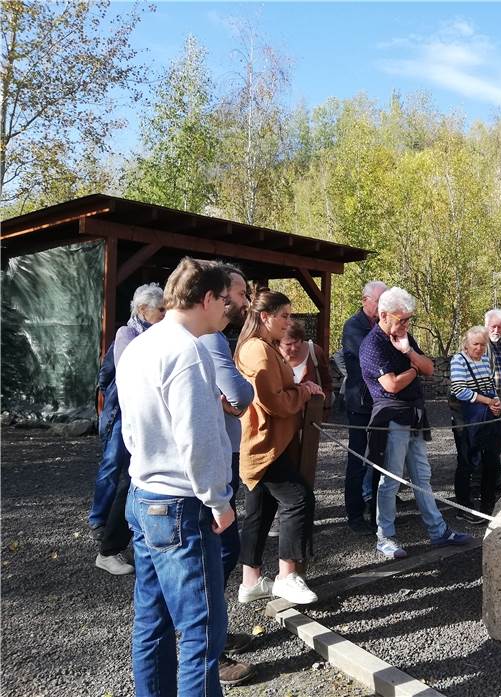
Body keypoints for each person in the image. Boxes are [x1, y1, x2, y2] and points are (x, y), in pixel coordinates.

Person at [117, 258, 235, 696]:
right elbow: (198, 440)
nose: (228, 310)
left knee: (152, 622)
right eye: (225, 300)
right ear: (205, 299)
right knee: (202, 632)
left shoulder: (141, 346)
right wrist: (218, 501)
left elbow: (129, 428)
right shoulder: (187, 353)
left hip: (144, 495)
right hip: (181, 504)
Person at [359, 286, 472, 560]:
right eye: (401, 320)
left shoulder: (404, 337)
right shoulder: (372, 344)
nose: (405, 324)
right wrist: (414, 369)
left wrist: (409, 352)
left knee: (423, 477)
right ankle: (385, 537)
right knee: (391, 480)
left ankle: (438, 531)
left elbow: (430, 368)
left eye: (408, 319)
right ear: (383, 315)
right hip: (391, 418)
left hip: (415, 416)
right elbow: (392, 385)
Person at [235, 289, 320, 606]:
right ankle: (287, 576)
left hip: (266, 443)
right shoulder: (257, 349)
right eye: (284, 315)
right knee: (298, 499)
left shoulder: (259, 346)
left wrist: (298, 389)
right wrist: (302, 393)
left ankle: (250, 581)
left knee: (260, 511)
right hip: (265, 445)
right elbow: (271, 400)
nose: (289, 322)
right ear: (265, 316)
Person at [198, 264, 256, 687]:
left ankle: (211, 635)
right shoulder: (212, 338)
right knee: (216, 554)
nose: (242, 302)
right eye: (238, 293)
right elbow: (240, 394)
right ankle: (207, 650)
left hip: (186, 474)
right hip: (204, 474)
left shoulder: (161, 341)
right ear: (214, 296)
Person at [90, 282, 165, 575]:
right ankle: (100, 521)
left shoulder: (156, 334)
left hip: (139, 412)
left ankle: (117, 531)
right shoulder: (127, 333)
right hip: (124, 412)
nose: (164, 314)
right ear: (143, 309)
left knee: (127, 473)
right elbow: (127, 373)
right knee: (114, 466)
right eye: (160, 309)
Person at [341, 280, 387, 534]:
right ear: (365, 300)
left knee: (379, 459)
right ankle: (355, 514)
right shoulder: (353, 326)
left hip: (381, 404)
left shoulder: (382, 325)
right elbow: (373, 358)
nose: (383, 306)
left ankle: (377, 513)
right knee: (357, 460)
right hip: (361, 403)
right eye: (379, 301)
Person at [450, 326, 501, 523]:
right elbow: (459, 390)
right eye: (475, 344)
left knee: (491, 460)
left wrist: (496, 401)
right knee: (467, 461)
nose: (479, 348)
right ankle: (463, 507)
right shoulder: (459, 360)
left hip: (487, 416)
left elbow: (490, 385)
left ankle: (488, 506)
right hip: (467, 418)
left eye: (483, 345)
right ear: (466, 344)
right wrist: (488, 402)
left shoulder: (485, 360)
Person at [279, 320, 331, 487]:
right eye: (288, 344)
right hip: (283, 421)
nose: (294, 348)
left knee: (307, 463)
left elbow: (327, 383)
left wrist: (323, 409)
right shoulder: (271, 355)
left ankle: (305, 498)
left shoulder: (315, 352)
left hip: (310, 421)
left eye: (297, 343)